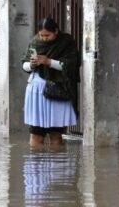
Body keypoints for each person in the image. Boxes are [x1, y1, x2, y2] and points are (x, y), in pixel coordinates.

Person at [22, 18, 80, 146]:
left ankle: (57, 164)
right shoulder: (35, 42)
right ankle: (36, 164)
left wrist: (48, 62)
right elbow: (24, 65)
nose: (44, 38)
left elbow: (71, 66)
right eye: (41, 35)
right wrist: (31, 65)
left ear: (56, 31)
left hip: (57, 92)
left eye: (47, 35)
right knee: (36, 133)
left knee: (55, 133)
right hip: (36, 93)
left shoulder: (66, 42)